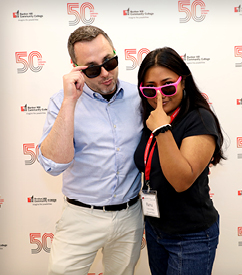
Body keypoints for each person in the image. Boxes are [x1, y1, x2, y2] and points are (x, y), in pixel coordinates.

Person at [38, 25, 144, 275]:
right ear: (75, 67)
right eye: (93, 69)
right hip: (80, 217)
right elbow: (53, 165)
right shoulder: (62, 102)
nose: (105, 73)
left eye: (110, 61)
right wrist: (70, 101)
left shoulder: (138, 97)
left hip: (130, 215)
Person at [134, 47, 226, 275]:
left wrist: (163, 129)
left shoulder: (199, 119)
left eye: (167, 86)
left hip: (191, 235)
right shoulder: (152, 116)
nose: (159, 95)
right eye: (149, 89)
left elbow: (181, 181)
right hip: (156, 229)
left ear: (183, 82)